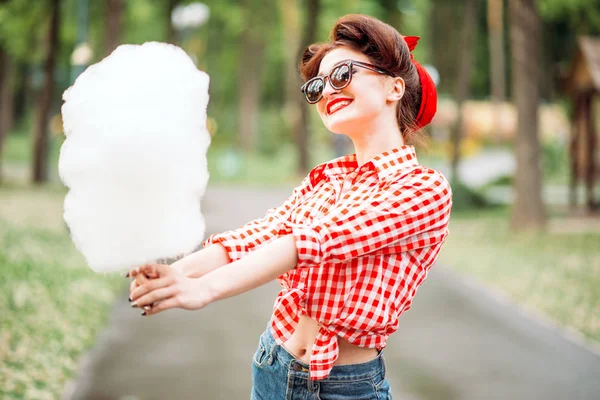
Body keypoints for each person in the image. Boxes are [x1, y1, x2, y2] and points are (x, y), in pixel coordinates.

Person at [128, 14, 452, 399]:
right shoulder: (327, 178)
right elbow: (260, 235)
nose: (328, 91)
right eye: (318, 85)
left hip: (346, 388)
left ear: (393, 87)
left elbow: (312, 242)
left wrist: (204, 291)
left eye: (343, 74)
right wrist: (174, 275)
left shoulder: (423, 189)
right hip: (273, 364)